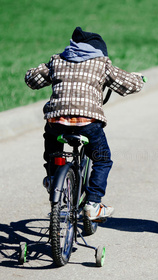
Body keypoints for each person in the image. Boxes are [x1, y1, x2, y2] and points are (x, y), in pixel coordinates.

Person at [25, 27, 144, 220]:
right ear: (99, 51)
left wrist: (35, 73)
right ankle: (93, 203)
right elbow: (129, 85)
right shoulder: (101, 64)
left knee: (53, 144)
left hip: (57, 120)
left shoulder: (57, 60)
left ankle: (53, 177)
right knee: (102, 159)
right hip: (87, 123)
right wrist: (139, 79)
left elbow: (32, 80)